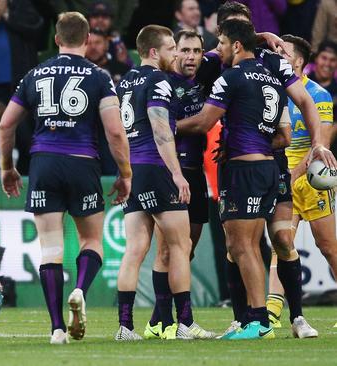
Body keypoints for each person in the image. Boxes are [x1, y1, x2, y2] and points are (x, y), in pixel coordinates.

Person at [0, 12, 132, 344]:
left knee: (51, 249)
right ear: (88, 40)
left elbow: (5, 126)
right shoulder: (99, 76)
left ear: (56, 40)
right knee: (92, 242)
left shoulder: (34, 74)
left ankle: (57, 328)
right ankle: (80, 291)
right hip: (82, 162)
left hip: (43, 162)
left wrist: (7, 167)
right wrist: (125, 173)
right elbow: (115, 131)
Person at [178, 19, 288, 340]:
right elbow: (283, 134)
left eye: (222, 43)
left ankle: (257, 321)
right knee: (247, 245)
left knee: (242, 246)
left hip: (244, 171)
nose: (219, 49)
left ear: (237, 46)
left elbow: (202, 122)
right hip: (266, 167)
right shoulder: (270, 77)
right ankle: (256, 320)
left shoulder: (231, 77)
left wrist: (166, 126)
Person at [114, 25, 213, 341]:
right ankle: (185, 323)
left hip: (134, 169)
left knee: (135, 249)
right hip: (157, 168)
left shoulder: (126, 81)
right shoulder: (158, 80)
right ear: (154, 52)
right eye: (172, 48)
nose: (177, 54)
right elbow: (160, 130)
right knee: (180, 246)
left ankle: (125, 327)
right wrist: (176, 172)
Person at [143, 30, 210, 340]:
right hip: (170, 171)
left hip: (195, 173)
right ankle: (165, 321)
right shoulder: (162, 83)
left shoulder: (207, 74)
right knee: (168, 251)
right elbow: (157, 126)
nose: (191, 56)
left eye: (197, 50)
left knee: (187, 250)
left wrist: (263, 36)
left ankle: (161, 321)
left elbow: (234, 47)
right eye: (184, 50)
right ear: (173, 52)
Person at [266, 35, 334, 334]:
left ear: (299, 61)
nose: (278, 54)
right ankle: (272, 313)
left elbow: (323, 140)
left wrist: (297, 172)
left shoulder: (318, 95)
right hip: (282, 176)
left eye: (285, 52)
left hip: (310, 181)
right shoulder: (274, 90)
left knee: (329, 247)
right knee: (282, 243)